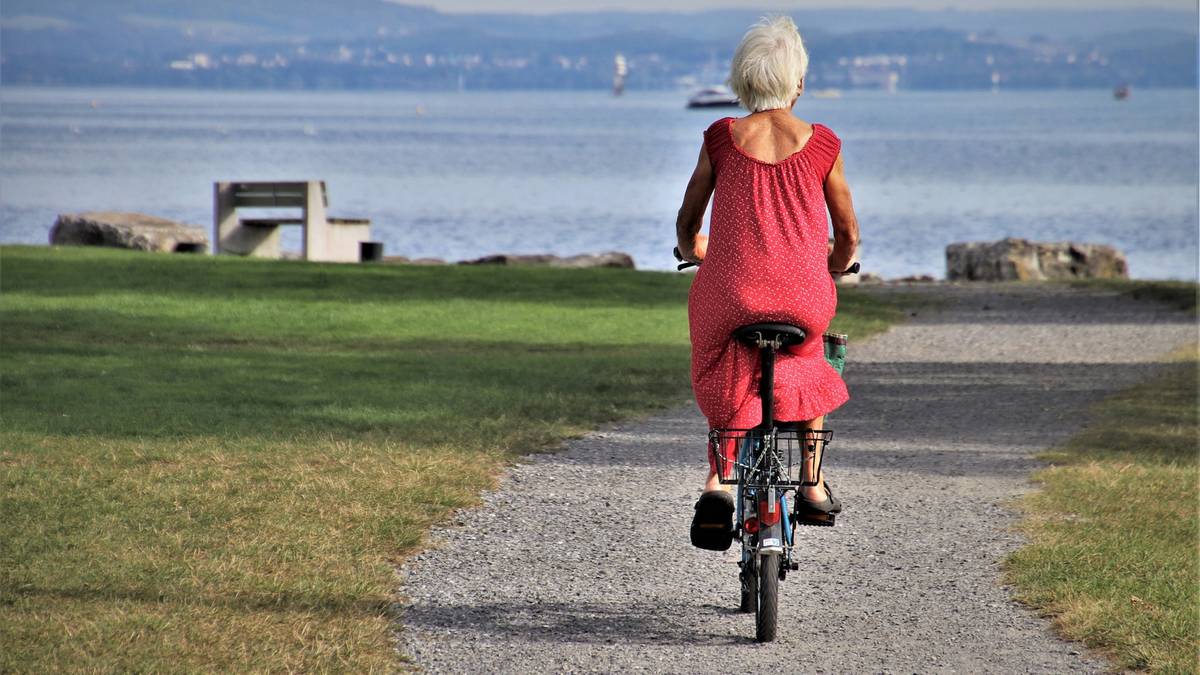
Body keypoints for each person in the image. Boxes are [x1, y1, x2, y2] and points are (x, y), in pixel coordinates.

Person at [675, 16, 860, 548]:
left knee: (723, 357)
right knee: (808, 360)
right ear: (797, 82)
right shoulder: (823, 143)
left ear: (741, 81)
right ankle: (813, 482)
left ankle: (720, 484)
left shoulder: (721, 138)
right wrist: (837, 263)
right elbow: (846, 232)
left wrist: (694, 251)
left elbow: (689, 223)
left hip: (730, 293)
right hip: (801, 297)